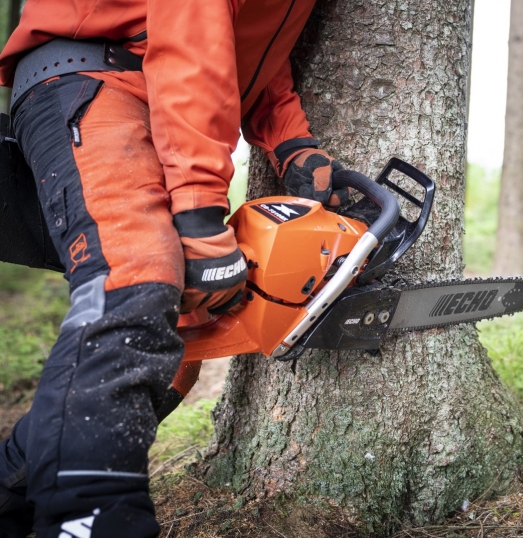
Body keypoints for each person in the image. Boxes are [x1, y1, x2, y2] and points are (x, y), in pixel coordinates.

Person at [0, 1, 350, 536]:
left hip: (162, 98)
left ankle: (11, 491)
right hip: (97, 78)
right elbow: (193, 30)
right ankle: (92, 519)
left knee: (179, 346)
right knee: (135, 281)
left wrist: (290, 138)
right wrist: (199, 210)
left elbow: (248, 46)